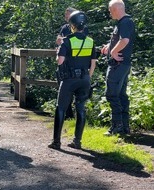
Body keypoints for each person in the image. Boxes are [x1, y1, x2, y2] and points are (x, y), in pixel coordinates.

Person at [48, 11, 97, 150]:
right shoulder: (90, 41)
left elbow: (60, 61)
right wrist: (88, 77)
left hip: (69, 79)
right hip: (85, 79)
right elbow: (93, 63)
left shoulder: (67, 41)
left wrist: (59, 50)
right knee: (81, 109)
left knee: (61, 108)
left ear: (72, 26)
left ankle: (56, 142)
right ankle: (77, 141)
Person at [101, 0, 135, 136]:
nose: (109, 13)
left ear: (115, 9)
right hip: (123, 64)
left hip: (118, 64)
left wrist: (114, 52)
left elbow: (124, 40)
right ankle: (124, 126)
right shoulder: (123, 22)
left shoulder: (125, 22)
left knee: (112, 94)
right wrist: (109, 48)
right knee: (121, 95)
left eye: (110, 10)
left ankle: (117, 126)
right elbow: (119, 40)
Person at [56, 7, 89, 119]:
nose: (66, 17)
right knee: (66, 96)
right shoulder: (64, 28)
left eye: (68, 15)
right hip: (68, 68)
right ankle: (69, 115)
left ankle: (58, 135)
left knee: (66, 102)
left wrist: (64, 42)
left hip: (75, 66)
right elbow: (58, 39)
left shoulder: (83, 29)